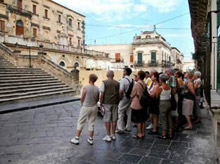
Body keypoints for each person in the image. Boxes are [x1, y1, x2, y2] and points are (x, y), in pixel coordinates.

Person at [71, 74, 99, 145]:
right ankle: (91, 139)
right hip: (94, 107)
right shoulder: (97, 88)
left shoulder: (85, 87)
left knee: (81, 122)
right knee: (91, 123)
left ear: (89, 79)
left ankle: (77, 138)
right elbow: (97, 99)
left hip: (86, 106)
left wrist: (82, 104)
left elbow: (82, 98)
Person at [100, 70, 120, 142]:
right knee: (114, 119)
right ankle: (113, 135)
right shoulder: (117, 83)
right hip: (115, 102)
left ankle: (108, 135)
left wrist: (101, 103)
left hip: (107, 102)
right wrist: (118, 100)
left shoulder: (104, 82)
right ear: (113, 75)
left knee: (107, 119)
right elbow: (120, 93)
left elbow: (102, 94)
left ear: (107, 75)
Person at [117, 68, 133, 133]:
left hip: (124, 98)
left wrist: (120, 98)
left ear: (125, 72)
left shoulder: (123, 80)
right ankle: (128, 127)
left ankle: (120, 128)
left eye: (123, 71)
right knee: (129, 112)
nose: (123, 72)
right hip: (130, 98)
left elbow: (121, 91)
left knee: (121, 112)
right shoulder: (132, 80)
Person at [131, 71, 146, 138]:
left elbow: (133, 93)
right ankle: (142, 133)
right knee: (142, 119)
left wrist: (131, 97)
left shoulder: (137, 84)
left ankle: (139, 133)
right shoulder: (144, 83)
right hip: (143, 102)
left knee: (138, 119)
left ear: (139, 76)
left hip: (137, 102)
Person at [158, 74, 173, 139]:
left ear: (161, 80)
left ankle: (164, 134)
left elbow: (156, 95)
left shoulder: (161, 88)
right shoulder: (169, 87)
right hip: (169, 102)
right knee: (169, 117)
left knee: (163, 118)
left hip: (163, 103)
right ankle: (170, 133)